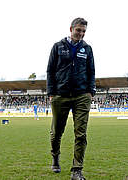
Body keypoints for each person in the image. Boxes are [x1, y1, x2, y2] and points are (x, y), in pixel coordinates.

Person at [47, 17, 95, 180]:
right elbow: (50, 71)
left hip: (82, 96)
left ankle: (77, 170)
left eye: (83, 31)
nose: (81, 34)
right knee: (56, 133)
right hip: (61, 95)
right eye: (78, 30)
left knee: (81, 134)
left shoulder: (87, 48)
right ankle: (55, 157)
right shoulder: (58, 47)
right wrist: (52, 93)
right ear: (71, 29)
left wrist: (90, 92)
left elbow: (91, 71)